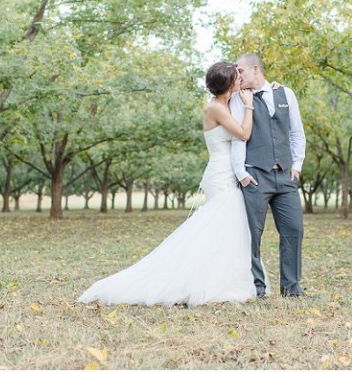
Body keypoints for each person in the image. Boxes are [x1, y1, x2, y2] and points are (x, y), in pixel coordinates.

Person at [78, 62, 256, 306]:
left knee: (226, 228)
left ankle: (221, 279)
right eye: (237, 77)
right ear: (228, 84)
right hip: (220, 175)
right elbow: (244, 134)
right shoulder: (216, 108)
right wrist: (249, 106)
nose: (240, 81)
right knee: (217, 225)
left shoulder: (226, 103)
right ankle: (201, 280)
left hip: (227, 172)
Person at [229, 53, 309, 298]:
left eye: (240, 71)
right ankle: (257, 288)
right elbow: (239, 137)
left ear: (255, 68)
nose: (237, 76)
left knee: (294, 230)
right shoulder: (238, 99)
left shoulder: (286, 94)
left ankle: (291, 288)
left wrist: (297, 165)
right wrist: (241, 173)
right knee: (252, 234)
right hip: (255, 175)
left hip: (285, 176)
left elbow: (296, 132)